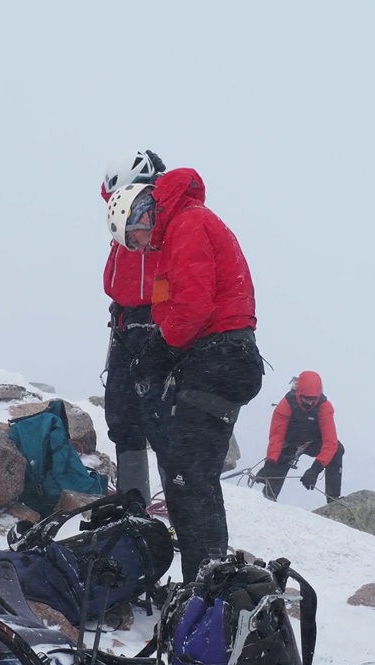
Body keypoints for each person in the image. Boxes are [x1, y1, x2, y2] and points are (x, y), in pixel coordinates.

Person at [106, 168, 263, 583]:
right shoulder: (179, 228)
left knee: (188, 478)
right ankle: (206, 584)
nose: (137, 247)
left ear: (142, 217)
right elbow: (175, 307)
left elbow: (193, 308)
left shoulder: (187, 224)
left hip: (220, 355)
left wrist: (157, 352)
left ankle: (203, 591)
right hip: (220, 356)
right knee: (192, 478)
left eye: (133, 237)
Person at [100, 150, 169, 503]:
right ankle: (133, 502)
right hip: (126, 322)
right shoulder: (128, 208)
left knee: (159, 418)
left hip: (157, 323)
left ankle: (178, 502)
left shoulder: (163, 214)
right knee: (122, 413)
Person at [254, 370, 344, 503]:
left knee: (337, 450)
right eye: (306, 398)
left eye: (313, 399)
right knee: (279, 464)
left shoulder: (324, 407)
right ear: (298, 393)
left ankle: (333, 500)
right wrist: (270, 463)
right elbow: (276, 437)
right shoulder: (286, 404)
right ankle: (268, 499)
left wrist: (315, 469)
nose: (309, 402)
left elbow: (330, 443)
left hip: (313, 443)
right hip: (289, 444)